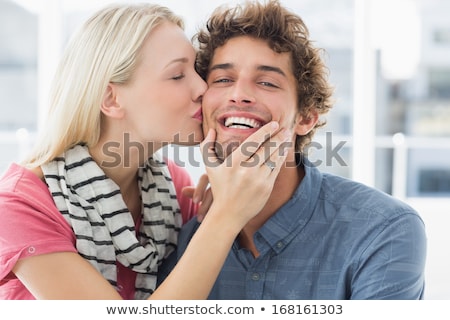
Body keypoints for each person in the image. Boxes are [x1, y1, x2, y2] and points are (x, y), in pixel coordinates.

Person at [0, 3, 290, 300]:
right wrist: (227, 213)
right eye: (178, 75)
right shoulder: (19, 206)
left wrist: (223, 193)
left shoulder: (175, 188)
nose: (202, 87)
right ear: (111, 99)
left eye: (197, 70)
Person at [173, 0, 427, 299]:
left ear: (306, 117)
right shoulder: (187, 241)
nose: (239, 94)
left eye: (267, 82)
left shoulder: (382, 229)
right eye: (223, 79)